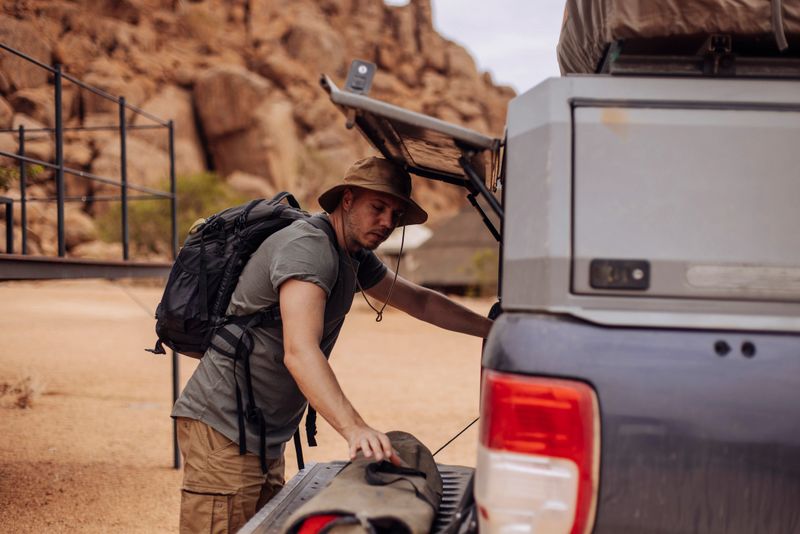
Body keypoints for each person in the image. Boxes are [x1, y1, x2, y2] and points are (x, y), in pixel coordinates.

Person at [171, 156, 492, 533]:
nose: (387, 222)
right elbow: (300, 351)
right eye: (378, 207)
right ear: (347, 200)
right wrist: (355, 428)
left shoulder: (354, 256)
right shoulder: (308, 247)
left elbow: (420, 302)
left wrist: (494, 330)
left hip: (263, 434)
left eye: (395, 213)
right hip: (223, 427)